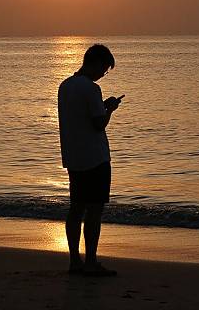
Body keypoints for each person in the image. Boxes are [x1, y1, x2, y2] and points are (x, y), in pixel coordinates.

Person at [57, 44, 123, 277]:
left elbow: (80, 116)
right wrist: (111, 109)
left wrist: (101, 107)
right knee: (94, 212)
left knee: (76, 210)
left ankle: (75, 261)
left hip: (74, 157)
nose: (103, 74)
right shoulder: (91, 89)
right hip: (95, 158)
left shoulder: (65, 86)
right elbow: (98, 124)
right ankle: (91, 262)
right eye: (104, 69)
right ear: (94, 63)